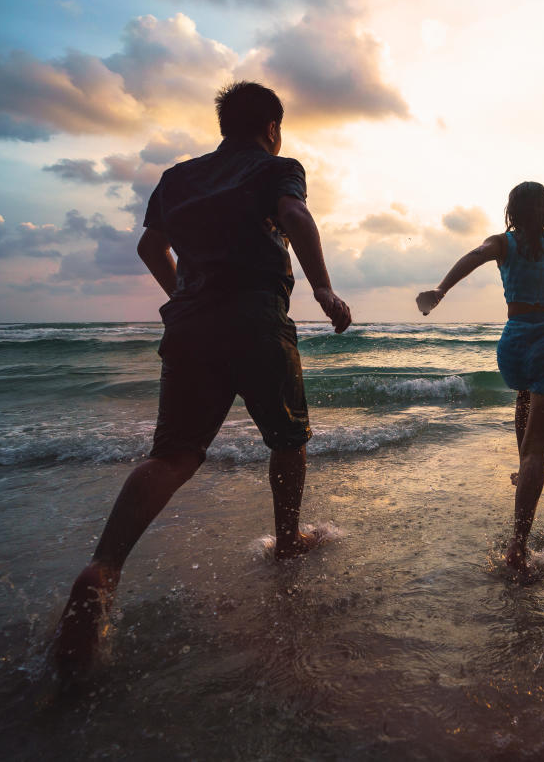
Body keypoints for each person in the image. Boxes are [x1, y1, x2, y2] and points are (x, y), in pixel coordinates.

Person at [52, 81, 352, 675]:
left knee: (174, 456)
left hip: (191, 327)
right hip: (258, 317)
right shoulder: (278, 168)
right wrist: (322, 287)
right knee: (288, 440)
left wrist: (185, 297)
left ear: (222, 127)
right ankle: (287, 542)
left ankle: (105, 566)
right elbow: (294, 214)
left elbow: (149, 248)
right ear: (273, 127)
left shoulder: (177, 179)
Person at [415, 182, 544, 574]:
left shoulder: (505, 244)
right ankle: (518, 546)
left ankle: (521, 466)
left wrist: (439, 291)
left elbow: (474, 255)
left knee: (524, 396)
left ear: (512, 210)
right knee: (539, 449)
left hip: (515, 343)